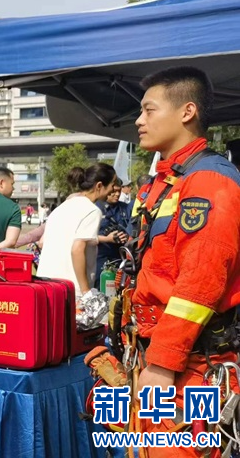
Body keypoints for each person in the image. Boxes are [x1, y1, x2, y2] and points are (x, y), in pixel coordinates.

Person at [126, 67, 240, 458]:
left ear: (187, 112)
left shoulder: (208, 180)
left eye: (149, 110)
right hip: (155, 354)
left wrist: (162, 363)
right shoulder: (164, 181)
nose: (139, 120)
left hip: (188, 367)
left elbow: (201, 281)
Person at [36, 163, 116, 297]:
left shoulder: (61, 208)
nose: (113, 189)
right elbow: (77, 249)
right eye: (112, 184)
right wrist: (85, 291)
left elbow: (42, 243)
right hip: (70, 289)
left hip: (45, 285)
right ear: (99, 186)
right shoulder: (92, 211)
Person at [94, 179, 130, 288]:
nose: (117, 194)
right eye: (114, 191)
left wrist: (126, 236)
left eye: (119, 191)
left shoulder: (125, 208)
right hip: (101, 259)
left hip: (120, 258)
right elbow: (86, 237)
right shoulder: (96, 208)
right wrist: (108, 239)